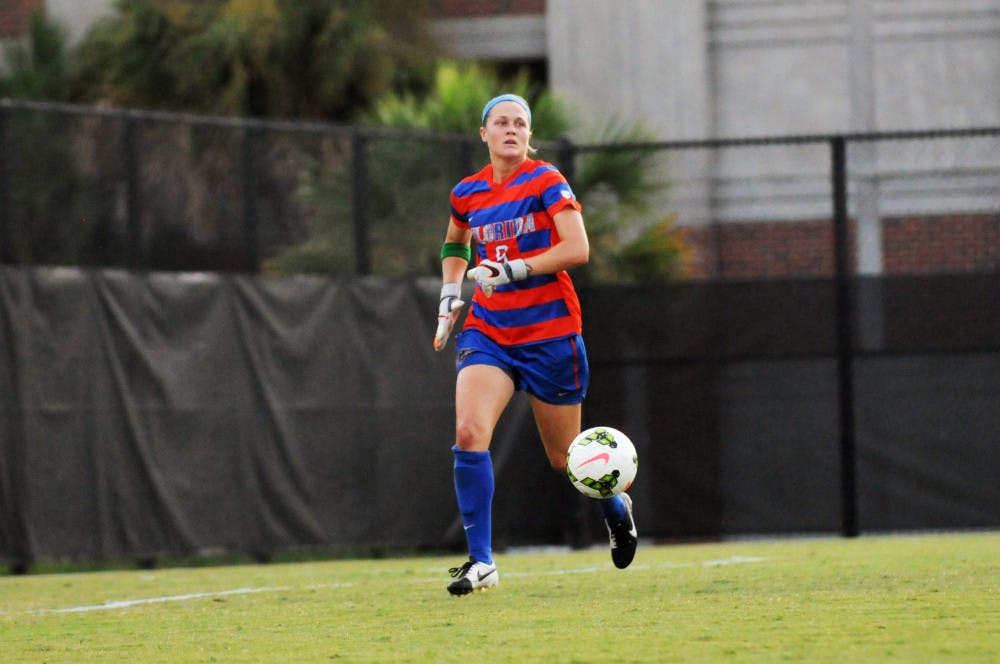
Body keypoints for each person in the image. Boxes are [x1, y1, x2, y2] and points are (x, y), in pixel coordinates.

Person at [433, 93, 637, 596]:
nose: (510, 129)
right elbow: (457, 241)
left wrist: (513, 269)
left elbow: (578, 248)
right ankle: (481, 562)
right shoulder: (468, 191)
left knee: (565, 457)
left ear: (529, 135)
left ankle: (616, 506)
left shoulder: (545, 180)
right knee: (467, 430)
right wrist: (449, 293)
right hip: (490, 331)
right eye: (500, 122)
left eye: (520, 123)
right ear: (484, 134)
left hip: (550, 332)